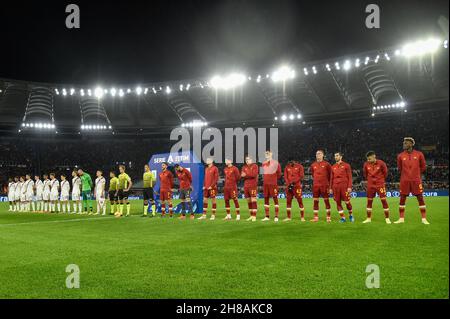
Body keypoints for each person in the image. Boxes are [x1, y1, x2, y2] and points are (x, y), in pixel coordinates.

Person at [395, 137, 429, 225]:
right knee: (402, 199)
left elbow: (423, 166)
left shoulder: (419, 154)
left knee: (420, 198)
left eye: (406, 143)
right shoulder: (400, 156)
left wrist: (416, 174)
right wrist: (407, 174)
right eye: (404, 143)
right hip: (404, 180)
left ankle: (424, 219)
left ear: (411, 144)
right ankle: (401, 219)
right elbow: (400, 168)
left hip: (416, 180)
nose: (404, 144)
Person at [362, 151, 391, 224]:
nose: (368, 160)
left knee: (383, 200)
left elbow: (385, 173)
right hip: (370, 185)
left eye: (369, 159)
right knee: (369, 201)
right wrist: (370, 180)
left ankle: (387, 218)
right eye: (367, 159)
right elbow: (365, 174)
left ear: (374, 156)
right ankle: (368, 218)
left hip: (380, 185)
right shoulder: (366, 164)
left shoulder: (381, 163)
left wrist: (380, 180)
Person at [330, 152, 354, 223]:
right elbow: (331, 178)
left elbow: (350, 177)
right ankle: (343, 218)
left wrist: (349, 186)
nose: (335, 157)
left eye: (337, 156)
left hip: (344, 186)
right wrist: (330, 188)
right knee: (338, 202)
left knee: (347, 202)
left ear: (341, 157)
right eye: (335, 156)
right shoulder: (333, 167)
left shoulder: (346, 165)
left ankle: (351, 215)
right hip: (335, 187)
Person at [310, 150, 332, 222]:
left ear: (323, 155)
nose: (318, 155)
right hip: (316, 185)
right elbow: (313, 174)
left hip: (324, 185)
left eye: (319, 154)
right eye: (316, 154)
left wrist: (329, 186)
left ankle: (328, 217)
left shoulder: (327, 164)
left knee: (326, 201)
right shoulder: (313, 165)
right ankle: (316, 218)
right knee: (315, 201)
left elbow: (330, 175)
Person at [261, 150, 282, 222]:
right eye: (266, 153)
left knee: (275, 199)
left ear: (271, 154)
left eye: (268, 153)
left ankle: (276, 216)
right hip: (265, 184)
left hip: (273, 184)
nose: (267, 154)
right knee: (266, 199)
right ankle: (267, 216)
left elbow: (279, 174)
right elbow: (263, 173)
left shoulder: (276, 163)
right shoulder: (263, 164)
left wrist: (273, 179)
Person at [241, 155, 259, 222]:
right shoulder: (244, 167)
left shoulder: (255, 166)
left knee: (253, 199)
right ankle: (251, 215)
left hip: (253, 185)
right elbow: (242, 175)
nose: (247, 160)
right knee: (248, 200)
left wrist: (246, 175)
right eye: (246, 159)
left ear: (252, 160)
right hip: (246, 186)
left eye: (248, 159)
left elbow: (254, 175)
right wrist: (247, 175)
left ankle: (254, 216)